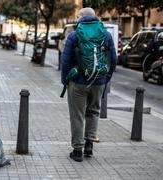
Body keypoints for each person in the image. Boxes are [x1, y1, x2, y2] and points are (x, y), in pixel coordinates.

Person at [61, 7, 117, 162]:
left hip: (78, 81)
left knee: (77, 115)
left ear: (81, 18)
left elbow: (65, 61)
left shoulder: (74, 35)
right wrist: (106, 78)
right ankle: (89, 146)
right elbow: (113, 59)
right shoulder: (106, 35)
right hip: (99, 81)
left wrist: (65, 80)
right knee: (93, 112)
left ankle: (77, 151)